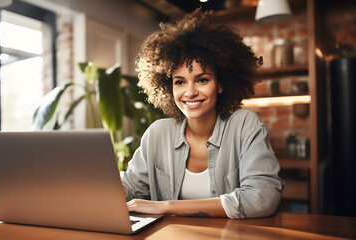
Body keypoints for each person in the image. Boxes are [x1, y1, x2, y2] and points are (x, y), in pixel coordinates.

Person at [122, 9, 284, 219]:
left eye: (202, 80)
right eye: (179, 82)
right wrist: (117, 189)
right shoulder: (157, 133)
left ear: (220, 84)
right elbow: (133, 188)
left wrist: (167, 206)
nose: (190, 92)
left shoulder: (244, 125)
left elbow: (263, 197)